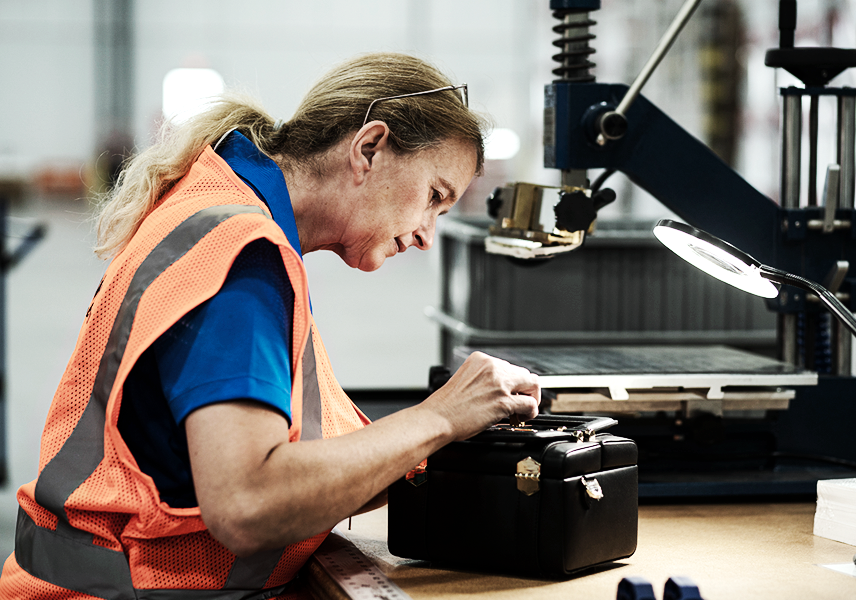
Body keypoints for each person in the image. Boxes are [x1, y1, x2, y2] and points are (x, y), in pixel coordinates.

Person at [0, 52, 540, 598]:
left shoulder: (218, 203)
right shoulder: (242, 257)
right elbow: (247, 504)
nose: (426, 235)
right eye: (434, 197)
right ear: (369, 148)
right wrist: (440, 418)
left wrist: (440, 435)